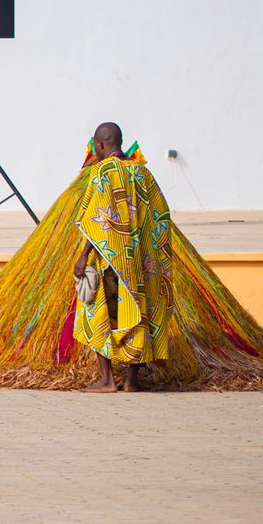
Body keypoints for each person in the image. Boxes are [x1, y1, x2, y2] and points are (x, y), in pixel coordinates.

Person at [70, 122, 172, 393]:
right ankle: (131, 381)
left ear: (101, 145)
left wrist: (83, 257)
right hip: (141, 264)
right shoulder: (143, 172)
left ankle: (107, 380)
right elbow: (160, 216)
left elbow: (96, 220)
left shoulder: (103, 173)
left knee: (97, 313)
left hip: (110, 262)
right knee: (139, 314)